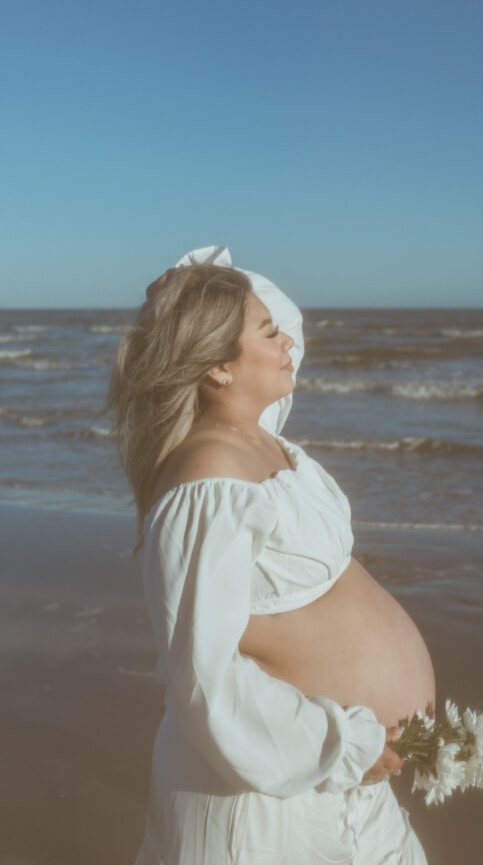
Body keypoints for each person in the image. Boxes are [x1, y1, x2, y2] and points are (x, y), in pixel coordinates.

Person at [107, 244, 433, 864]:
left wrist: (197, 282)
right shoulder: (208, 479)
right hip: (272, 805)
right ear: (217, 369)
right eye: (267, 333)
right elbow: (206, 676)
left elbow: (282, 324)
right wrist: (346, 746)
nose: (287, 341)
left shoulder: (259, 435)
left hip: (335, 789)